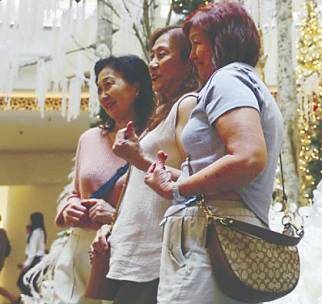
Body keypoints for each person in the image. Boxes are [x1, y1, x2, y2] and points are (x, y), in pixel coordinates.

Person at [144, 1, 283, 304]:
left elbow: (248, 158)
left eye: (197, 44)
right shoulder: (247, 82)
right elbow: (232, 163)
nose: (192, 55)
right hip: (224, 233)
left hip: (211, 235)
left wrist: (179, 187)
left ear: (223, 40)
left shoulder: (227, 79)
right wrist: (178, 177)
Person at [90, 26, 197, 304]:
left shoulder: (187, 105)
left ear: (188, 62)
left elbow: (196, 179)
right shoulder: (159, 116)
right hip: (130, 255)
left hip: (155, 258)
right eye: (151, 56)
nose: (152, 63)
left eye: (162, 55)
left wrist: (139, 158)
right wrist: (111, 226)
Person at [53, 55, 153, 304]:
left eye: (109, 84)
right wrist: (68, 208)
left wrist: (116, 217)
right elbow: (75, 191)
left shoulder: (154, 138)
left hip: (127, 252)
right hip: (80, 248)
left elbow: (163, 203)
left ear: (137, 86)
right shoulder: (89, 139)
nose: (103, 94)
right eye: (99, 89)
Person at [16, 213, 45, 297]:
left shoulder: (36, 232)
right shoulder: (40, 231)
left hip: (34, 260)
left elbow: (32, 251)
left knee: (22, 283)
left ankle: (30, 300)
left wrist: (26, 264)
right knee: (29, 283)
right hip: (37, 260)